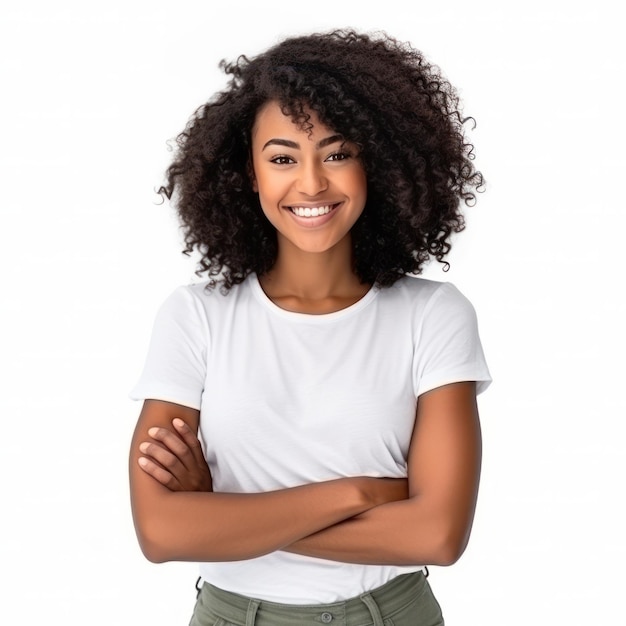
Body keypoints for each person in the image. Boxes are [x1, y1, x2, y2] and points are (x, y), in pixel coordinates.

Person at [129, 28, 491, 626]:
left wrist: (223, 514)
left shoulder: (434, 315)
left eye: (338, 152)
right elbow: (162, 531)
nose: (313, 182)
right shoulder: (195, 316)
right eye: (281, 158)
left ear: (375, 159)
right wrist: (364, 493)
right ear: (248, 172)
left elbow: (438, 535)